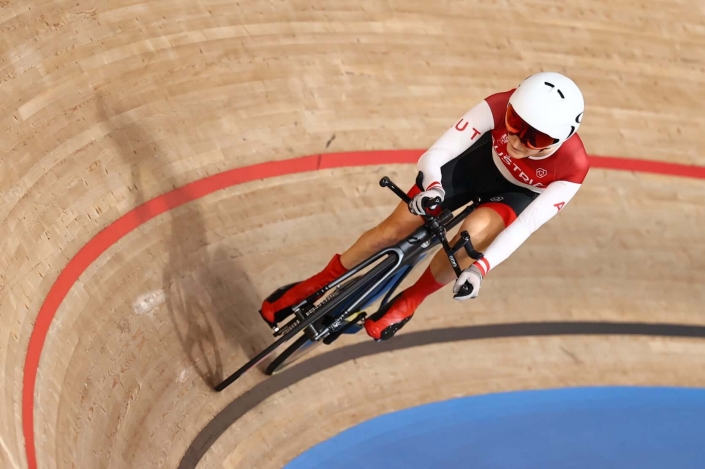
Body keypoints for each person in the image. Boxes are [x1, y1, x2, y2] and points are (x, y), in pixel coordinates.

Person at [261, 71, 589, 341]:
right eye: (515, 123)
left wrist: (478, 270)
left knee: (470, 239)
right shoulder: (497, 104)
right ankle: (314, 284)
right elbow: (436, 154)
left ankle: (411, 300)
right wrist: (432, 186)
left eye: (537, 139)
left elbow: (525, 226)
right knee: (392, 230)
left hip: (513, 196)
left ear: (561, 138)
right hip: (474, 168)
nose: (518, 139)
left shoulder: (573, 167)